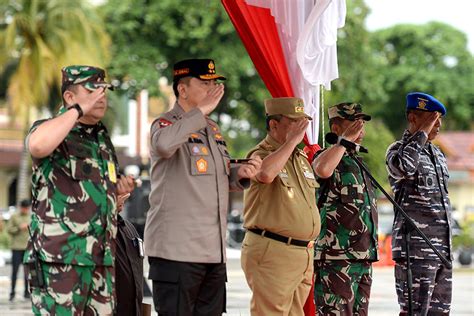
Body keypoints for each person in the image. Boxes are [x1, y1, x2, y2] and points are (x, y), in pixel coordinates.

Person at [145, 58, 261, 315]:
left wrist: (238, 173)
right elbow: (163, 147)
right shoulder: (165, 124)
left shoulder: (212, 129)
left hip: (212, 251)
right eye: (204, 82)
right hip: (177, 251)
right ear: (182, 89)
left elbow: (212, 174)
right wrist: (200, 112)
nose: (212, 88)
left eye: (214, 83)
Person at [24, 65, 135, 315]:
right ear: (69, 96)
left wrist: (117, 191)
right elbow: (38, 146)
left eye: (104, 90)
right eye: (92, 90)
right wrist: (76, 111)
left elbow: (98, 191)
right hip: (60, 259)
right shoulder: (49, 128)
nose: (101, 96)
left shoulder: (102, 139)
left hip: (101, 259)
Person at [241, 97, 320, 315]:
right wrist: (291, 142)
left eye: (303, 122)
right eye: (294, 122)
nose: (301, 128)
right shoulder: (260, 154)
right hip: (273, 250)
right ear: (274, 124)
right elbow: (265, 174)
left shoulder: (299, 157)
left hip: (302, 252)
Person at [386, 92, 453, 315]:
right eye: (432, 118)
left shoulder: (438, 154)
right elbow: (405, 167)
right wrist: (422, 133)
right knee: (415, 312)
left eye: (439, 119)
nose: (438, 124)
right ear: (413, 118)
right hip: (415, 249)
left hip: (442, 249)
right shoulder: (397, 150)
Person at [312, 102, 378, 315]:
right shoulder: (325, 156)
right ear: (336, 128)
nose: (360, 129)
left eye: (362, 124)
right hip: (336, 258)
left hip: (363, 256)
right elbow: (322, 169)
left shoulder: (358, 163)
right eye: (354, 123)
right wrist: (344, 141)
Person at [7, 199, 31, 301]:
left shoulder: (31, 217)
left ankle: (26, 293)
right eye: (24, 208)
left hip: (27, 248)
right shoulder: (14, 216)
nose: (25, 210)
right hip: (16, 248)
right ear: (21, 207)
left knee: (27, 272)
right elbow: (9, 229)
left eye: (27, 208)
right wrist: (19, 228)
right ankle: (12, 293)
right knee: (15, 272)